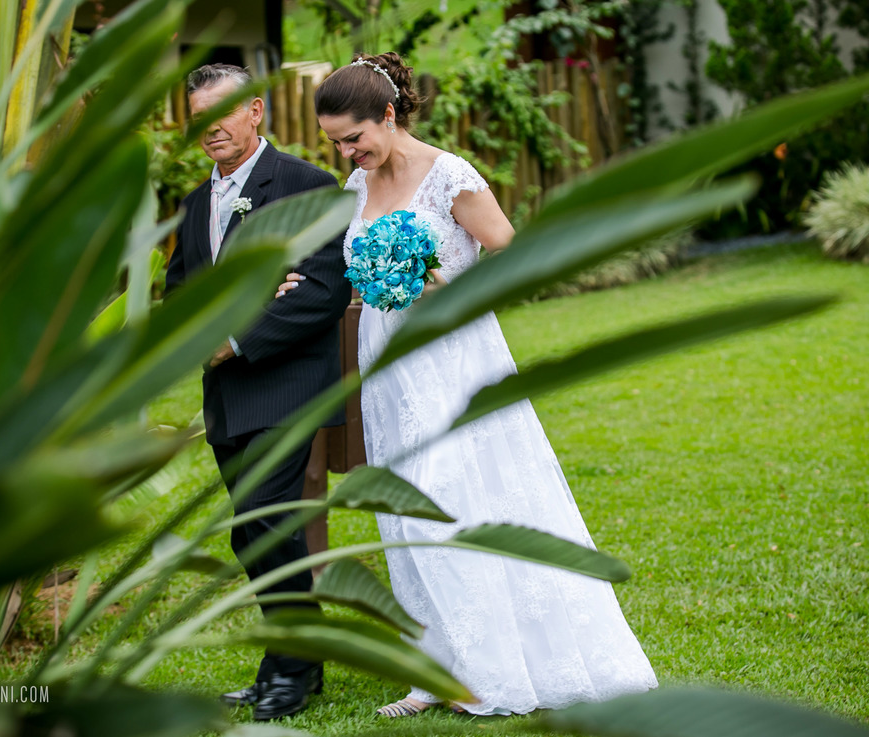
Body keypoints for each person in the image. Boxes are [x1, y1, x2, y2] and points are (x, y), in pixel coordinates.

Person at [273, 52, 658, 717]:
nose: (346, 151)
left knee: (464, 493)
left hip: (454, 355)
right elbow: (341, 272)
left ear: (388, 115)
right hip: (388, 363)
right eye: (335, 141)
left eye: (354, 138)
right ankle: (434, 669)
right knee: (409, 506)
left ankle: (496, 666)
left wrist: (439, 283)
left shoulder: (449, 175)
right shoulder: (354, 190)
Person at [164, 63, 351, 721]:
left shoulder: (307, 185)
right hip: (228, 396)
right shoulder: (195, 203)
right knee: (253, 531)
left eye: (223, 110)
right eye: (198, 115)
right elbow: (180, 292)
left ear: (254, 112)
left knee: (268, 522)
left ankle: (293, 669)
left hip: (288, 382)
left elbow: (323, 292)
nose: (210, 127)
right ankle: (291, 654)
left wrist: (234, 338)